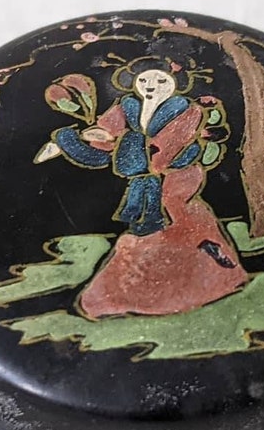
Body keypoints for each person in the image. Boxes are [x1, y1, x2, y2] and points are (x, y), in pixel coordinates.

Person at [36, 64, 248, 318]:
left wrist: (140, 155)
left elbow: (171, 146)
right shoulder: (127, 106)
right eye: (145, 81)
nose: (151, 87)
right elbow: (108, 132)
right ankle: (128, 294)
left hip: (177, 177)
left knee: (178, 221)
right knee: (163, 229)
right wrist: (79, 140)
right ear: (135, 83)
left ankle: (206, 279)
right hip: (146, 178)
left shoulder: (188, 111)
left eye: (160, 81)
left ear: (174, 84)